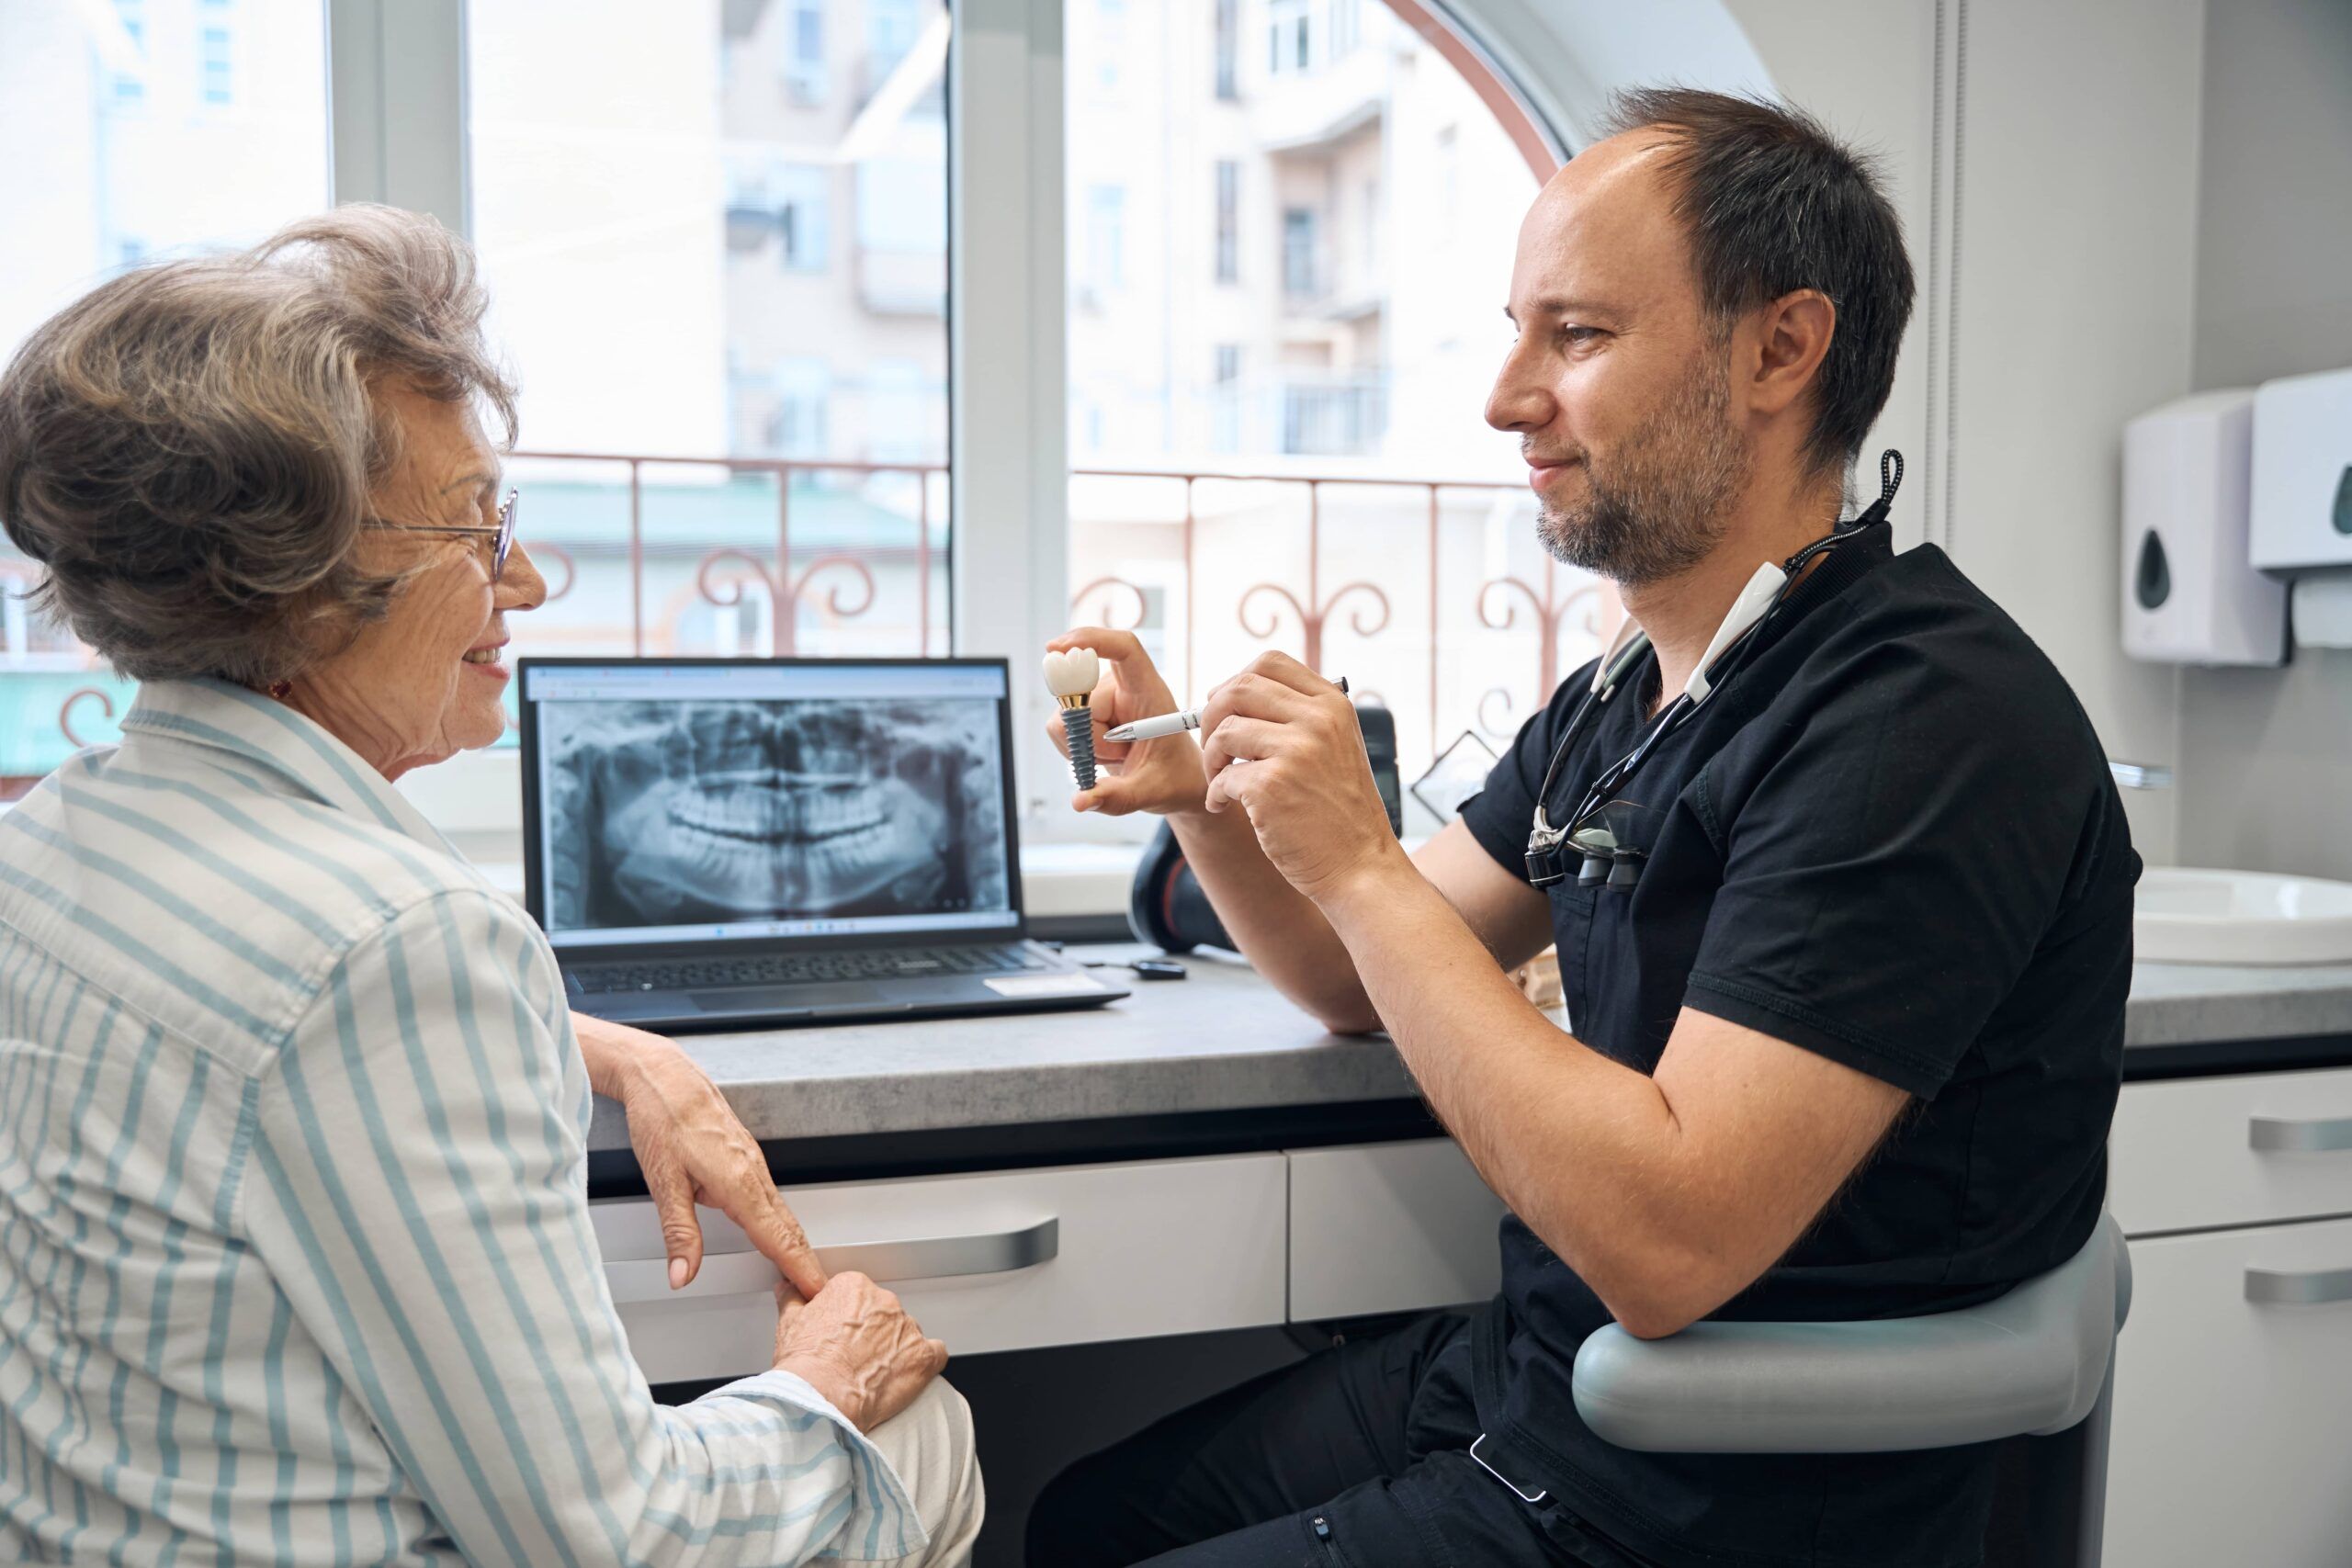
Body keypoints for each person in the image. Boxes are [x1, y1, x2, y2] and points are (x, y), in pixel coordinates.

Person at [1029, 88, 2135, 1568]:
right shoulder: (1632, 695)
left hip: (1719, 1499)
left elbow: (1671, 1242)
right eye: (1517, 332)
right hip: (1538, 1386)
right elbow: (1353, 977)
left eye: (1579, 335)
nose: (1506, 399)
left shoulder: (1918, 723)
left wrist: (1360, 856)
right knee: (1080, 1518)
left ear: (1779, 351)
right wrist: (1209, 806)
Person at [0, 206, 981, 1565]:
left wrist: (588, 1040)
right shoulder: (404, 945)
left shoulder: (50, 841)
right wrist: (823, 1385)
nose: (525, 575)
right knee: (925, 1430)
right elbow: (623, 1541)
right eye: (477, 526)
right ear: (298, 578)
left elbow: (257, 1024)